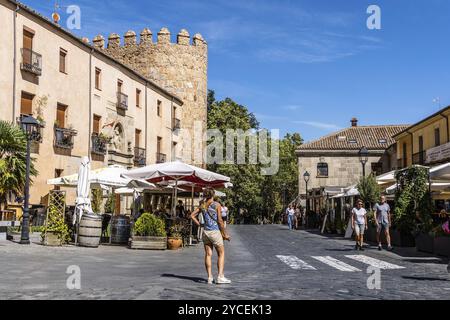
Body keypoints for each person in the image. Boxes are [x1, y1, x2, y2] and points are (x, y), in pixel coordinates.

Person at [191, 189, 231, 285]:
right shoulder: (216, 205)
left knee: (208, 254)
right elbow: (220, 221)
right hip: (215, 232)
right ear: (213, 195)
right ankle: (220, 276)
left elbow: (192, 215)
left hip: (206, 232)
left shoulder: (202, 205)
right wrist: (225, 234)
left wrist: (200, 224)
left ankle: (209, 277)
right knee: (221, 253)